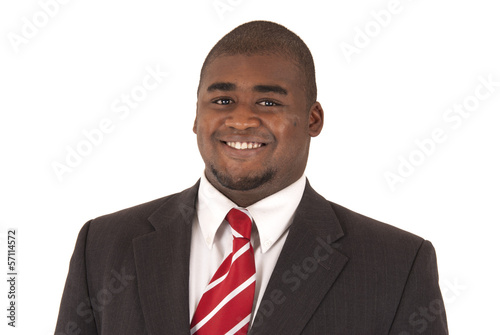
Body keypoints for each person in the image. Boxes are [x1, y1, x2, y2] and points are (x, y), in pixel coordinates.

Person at [55, 20, 448, 335]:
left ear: (313, 119)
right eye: (222, 100)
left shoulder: (397, 265)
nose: (240, 119)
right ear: (195, 116)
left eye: (268, 102)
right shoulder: (103, 246)